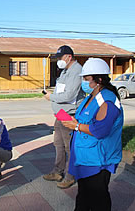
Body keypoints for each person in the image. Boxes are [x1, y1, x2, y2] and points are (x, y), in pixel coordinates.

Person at [61, 58, 123, 211]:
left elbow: (101, 130)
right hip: (85, 157)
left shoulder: (107, 100)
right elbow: (86, 119)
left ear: (99, 79)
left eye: (86, 79)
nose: (84, 82)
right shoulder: (91, 96)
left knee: (98, 199)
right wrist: (74, 121)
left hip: (97, 160)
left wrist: (76, 125)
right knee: (83, 196)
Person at [43, 45, 85, 189]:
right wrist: (53, 97)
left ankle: (70, 176)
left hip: (69, 114)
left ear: (68, 57)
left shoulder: (77, 71)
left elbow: (70, 95)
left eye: (60, 58)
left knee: (69, 147)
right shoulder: (65, 70)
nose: (59, 61)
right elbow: (60, 89)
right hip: (60, 114)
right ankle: (57, 171)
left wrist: (51, 97)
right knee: (58, 144)